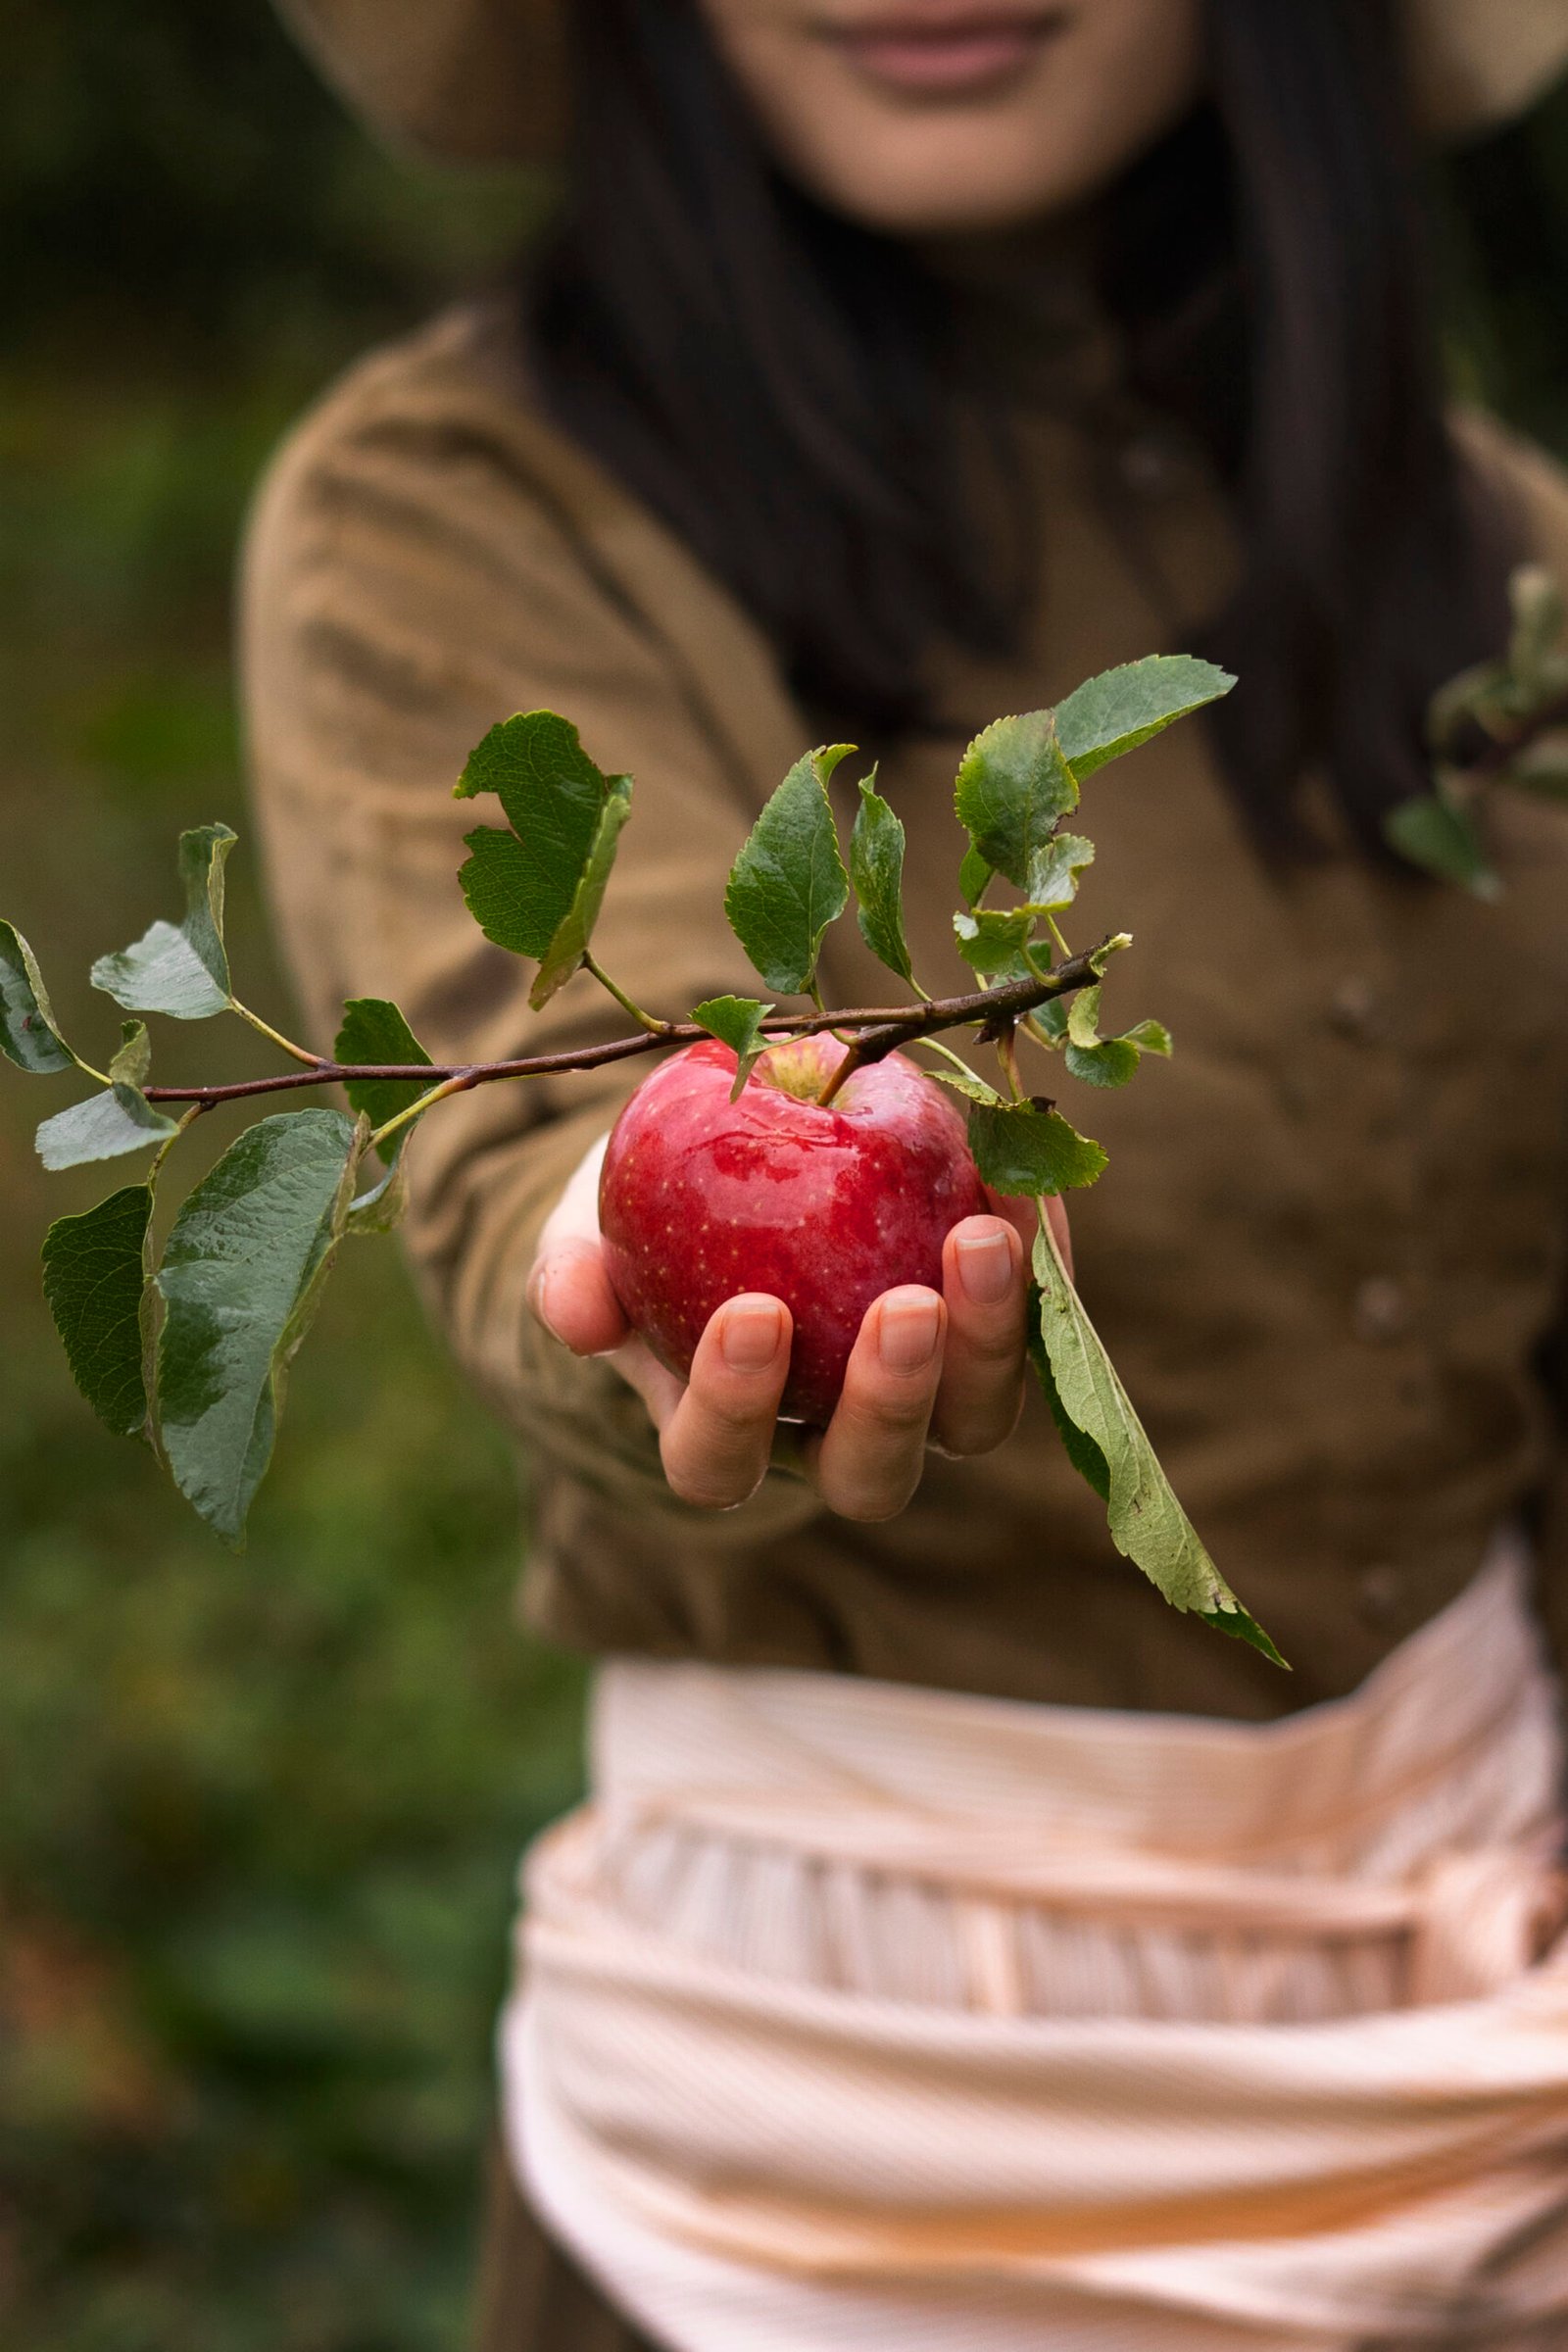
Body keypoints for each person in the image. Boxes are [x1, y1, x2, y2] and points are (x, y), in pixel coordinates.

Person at [245, 2, 1568, 2344]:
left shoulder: (1495, 562)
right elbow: (562, 1067)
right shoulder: (466, 500)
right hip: (839, 2159)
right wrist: (632, 1237)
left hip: (1497, 2069)